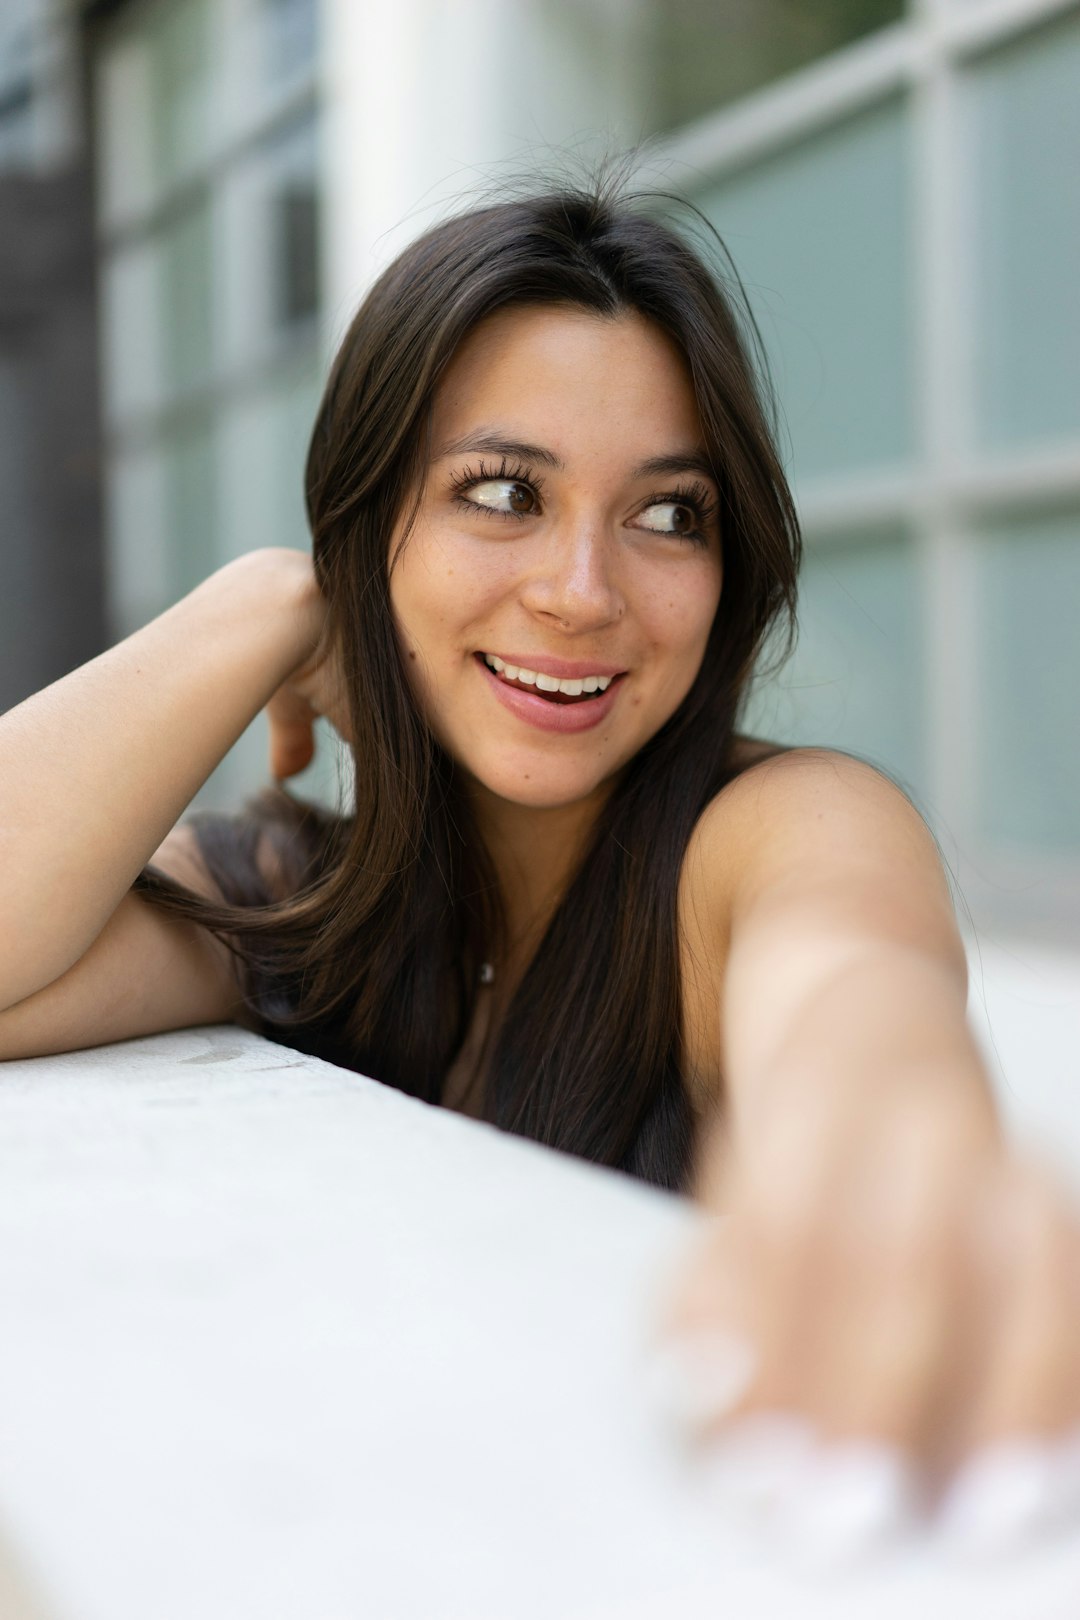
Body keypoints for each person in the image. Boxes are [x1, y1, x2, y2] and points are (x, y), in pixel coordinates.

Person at [1, 179, 1077, 1551]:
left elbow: (851, 984)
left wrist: (886, 1127)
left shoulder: (771, 834)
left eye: (669, 515)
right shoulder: (302, 898)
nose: (582, 590)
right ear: (372, 530)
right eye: (501, 494)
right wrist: (263, 604)